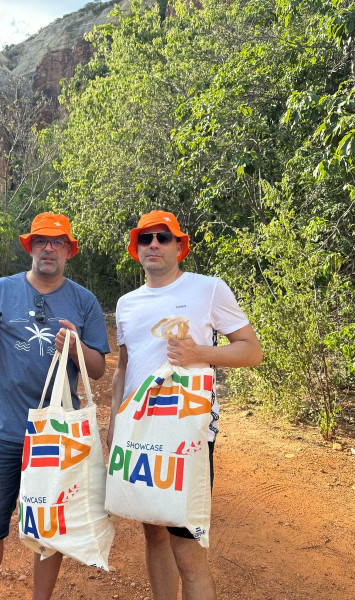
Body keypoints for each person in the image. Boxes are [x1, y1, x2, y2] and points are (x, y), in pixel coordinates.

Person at [0, 212, 111, 600]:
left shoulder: (83, 301)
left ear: (69, 251)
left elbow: (98, 370)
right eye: (41, 241)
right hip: (5, 432)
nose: (49, 248)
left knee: (47, 530)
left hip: (56, 437)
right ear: (30, 247)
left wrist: (77, 347)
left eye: (57, 242)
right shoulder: (2, 290)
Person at [108, 210, 263, 600]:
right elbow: (124, 366)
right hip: (138, 427)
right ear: (136, 248)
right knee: (154, 533)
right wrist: (114, 421)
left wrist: (199, 353)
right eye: (146, 239)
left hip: (187, 430)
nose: (154, 244)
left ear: (180, 245)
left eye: (163, 237)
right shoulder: (127, 303)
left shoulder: (207, 288)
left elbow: (251, 351)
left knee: (187, 549)